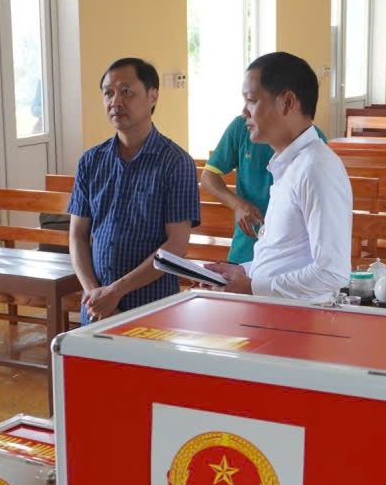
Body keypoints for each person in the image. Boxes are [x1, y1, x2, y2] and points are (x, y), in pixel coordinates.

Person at [205, 52, 352, 302]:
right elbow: (286, 255)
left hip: (300, 318)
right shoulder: (290, 165)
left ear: (287, 102)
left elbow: (331, 272)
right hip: (277, 311)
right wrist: (244, 272)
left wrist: (253, 287)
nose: (244, 112)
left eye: (251, 101)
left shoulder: (316, 167)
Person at [67, 57, 200, 323]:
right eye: (108, 93)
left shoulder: (175, 163)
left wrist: (115, 292)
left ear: (153, 97)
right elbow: (77, 235)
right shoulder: (91, 161)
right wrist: (95, 294)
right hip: (96, 308)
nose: (115, 101)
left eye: (126, 92)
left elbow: (176, 245)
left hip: (151, 307)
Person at [200, 116, 327, 264]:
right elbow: (208, 176)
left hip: (291, 256)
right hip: (246, 250)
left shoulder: (312, 139)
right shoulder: (242, 126)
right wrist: (238, 205)